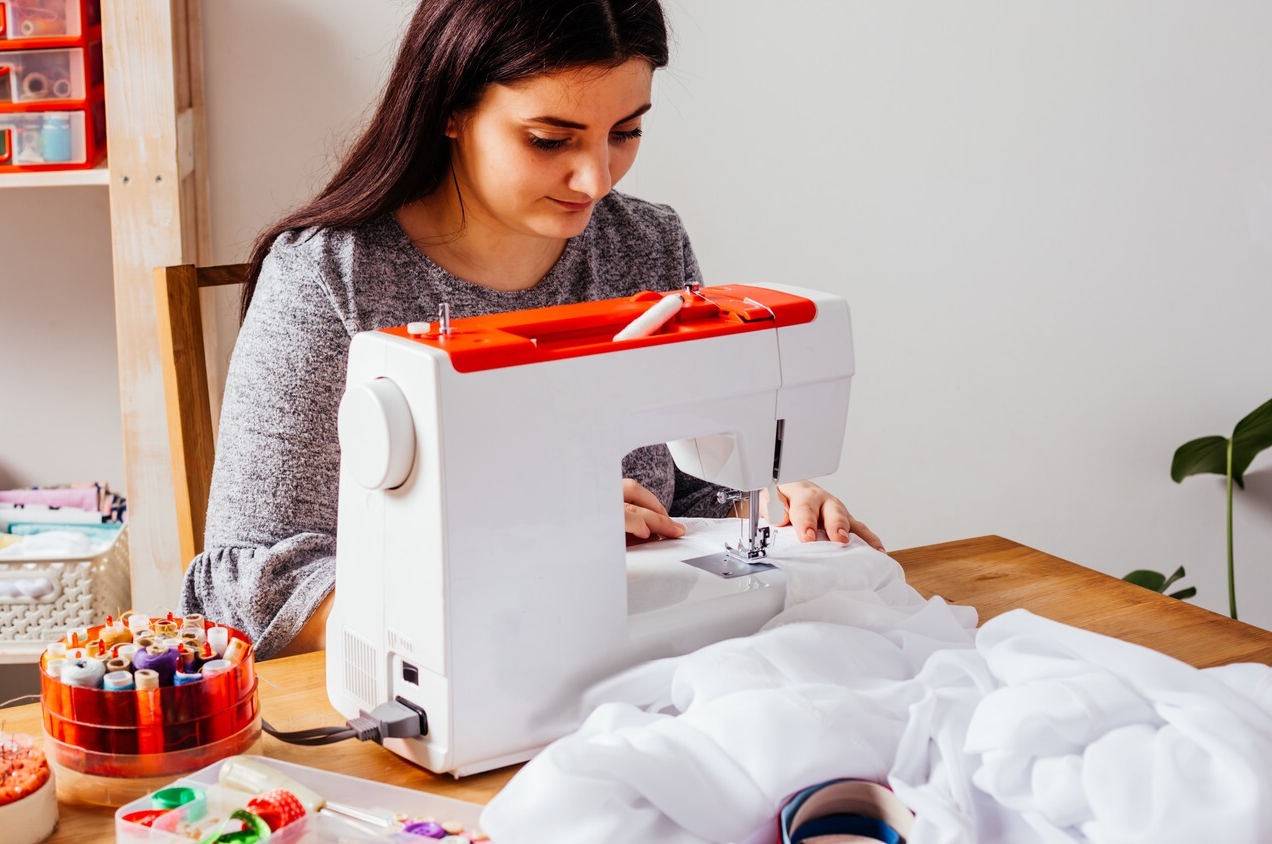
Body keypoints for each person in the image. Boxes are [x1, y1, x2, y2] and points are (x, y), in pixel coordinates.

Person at [181, 0, 883, 660]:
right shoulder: (329, 278)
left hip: (624, 667)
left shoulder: (647, 246)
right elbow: (245, 588)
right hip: (451, 688)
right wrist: (523, 548)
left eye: (627, 132)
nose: (595, 178)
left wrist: (770, 502)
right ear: (451, 110)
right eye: (550, 140)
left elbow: (695, 496)